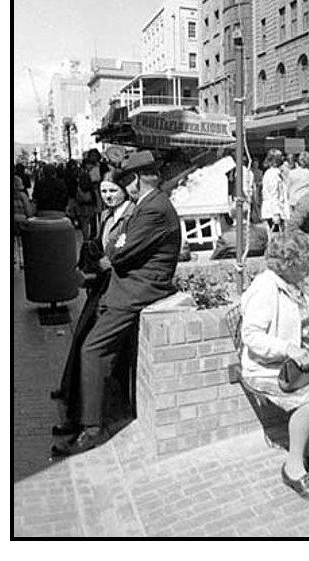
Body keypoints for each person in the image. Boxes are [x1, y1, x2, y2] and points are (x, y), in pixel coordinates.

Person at [52, 151, 181, 456]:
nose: (125, 188)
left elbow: (117, 251)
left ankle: (92, 429)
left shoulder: (153, 210)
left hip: (138, 291)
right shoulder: (147, 205)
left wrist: (115, 242)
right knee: (85, 338)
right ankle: (79, 414)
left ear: (136, 179)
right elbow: (115, 243)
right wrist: (116, 242)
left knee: (92, 349)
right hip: (125, 288)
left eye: (126, 181)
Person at [240, 233, 309, 502]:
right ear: (288, 263)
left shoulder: (294, 287)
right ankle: (293, 468)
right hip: (266, 367)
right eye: (304, 261)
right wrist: (287, 349)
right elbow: (251, 336)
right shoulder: (265, 289)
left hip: (297, 365)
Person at [51, 169, 136, 436]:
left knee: (90, 347)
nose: (109, 196)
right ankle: (74, 406)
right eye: (105, 192)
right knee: (80, 341)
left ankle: (85, 419)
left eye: (113, 191)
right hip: (101, 284)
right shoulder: (104, 215)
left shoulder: (132, 215)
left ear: (124, 190)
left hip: (116, 287)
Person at [261, 148, 290, 234]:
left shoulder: (274, 173)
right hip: (274, 212)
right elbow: (273, 194)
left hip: (275, 210)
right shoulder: (273, 174)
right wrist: (276, 213)